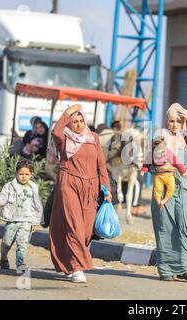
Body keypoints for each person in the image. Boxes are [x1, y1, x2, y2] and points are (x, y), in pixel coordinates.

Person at [49, 104, 111, 283]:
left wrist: (106, 189)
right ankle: (77, 268)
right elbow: (56, 131)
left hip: (91, 187)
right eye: (74, 121)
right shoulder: (63, 138)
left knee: (84, 230)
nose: (77, 124)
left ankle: (69, 262)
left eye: (80, 120)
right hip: (69, 184)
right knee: (74, 225)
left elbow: (101, 165)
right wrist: (68, 111)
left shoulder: (93, 138)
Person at [148, 102, 187, 282]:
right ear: (166, 121)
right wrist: (159, 168)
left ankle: (183, 265)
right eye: (171, 121)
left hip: (186, 190)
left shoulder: (186, 137)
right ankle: (169, 269)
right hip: (165, 191)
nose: (174, 124)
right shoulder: (159, 138)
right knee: (167, 230)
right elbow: (149, 165)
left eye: (178, 121)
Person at [0, 159, 43, 274]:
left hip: (26, 221)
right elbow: (3, 198)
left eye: (26, 174)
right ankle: (3, 257)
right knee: (6, 242)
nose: (23, 176)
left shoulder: (33, 187)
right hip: (12, 220)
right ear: (16, 173)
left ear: (31, 174)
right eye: (21, 174)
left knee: (22, 244)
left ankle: (20, 264)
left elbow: (37, 206)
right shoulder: (10, 186)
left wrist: (35, 222)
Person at [141, 136, 187, 208]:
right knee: (157, 189)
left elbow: (177, 163)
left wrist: (183, 171)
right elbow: (146, 163)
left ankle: (164, 200)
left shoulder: (168, 153)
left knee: (171, 187)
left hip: (169, 175)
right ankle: (159, 201)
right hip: (159, 176)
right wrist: (143, 170)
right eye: (159, 153)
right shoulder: (151, 155)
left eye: (163, 152)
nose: (162, 155)